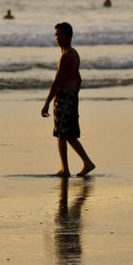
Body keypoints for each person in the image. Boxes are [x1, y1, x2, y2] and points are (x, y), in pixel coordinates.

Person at [41, 22, 96, 177]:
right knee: (68, 135)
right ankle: (87, 163)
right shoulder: (74, 53)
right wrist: (75, 97)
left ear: (69, 36)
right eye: (56, 34)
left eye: (60, 34)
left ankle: (66, 169)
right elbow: (79, 79)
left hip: (64, 98)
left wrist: (46, 104)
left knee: (61, 134)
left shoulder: (66, 57)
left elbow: (57, 82)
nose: (57, 38)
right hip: (71, 97)